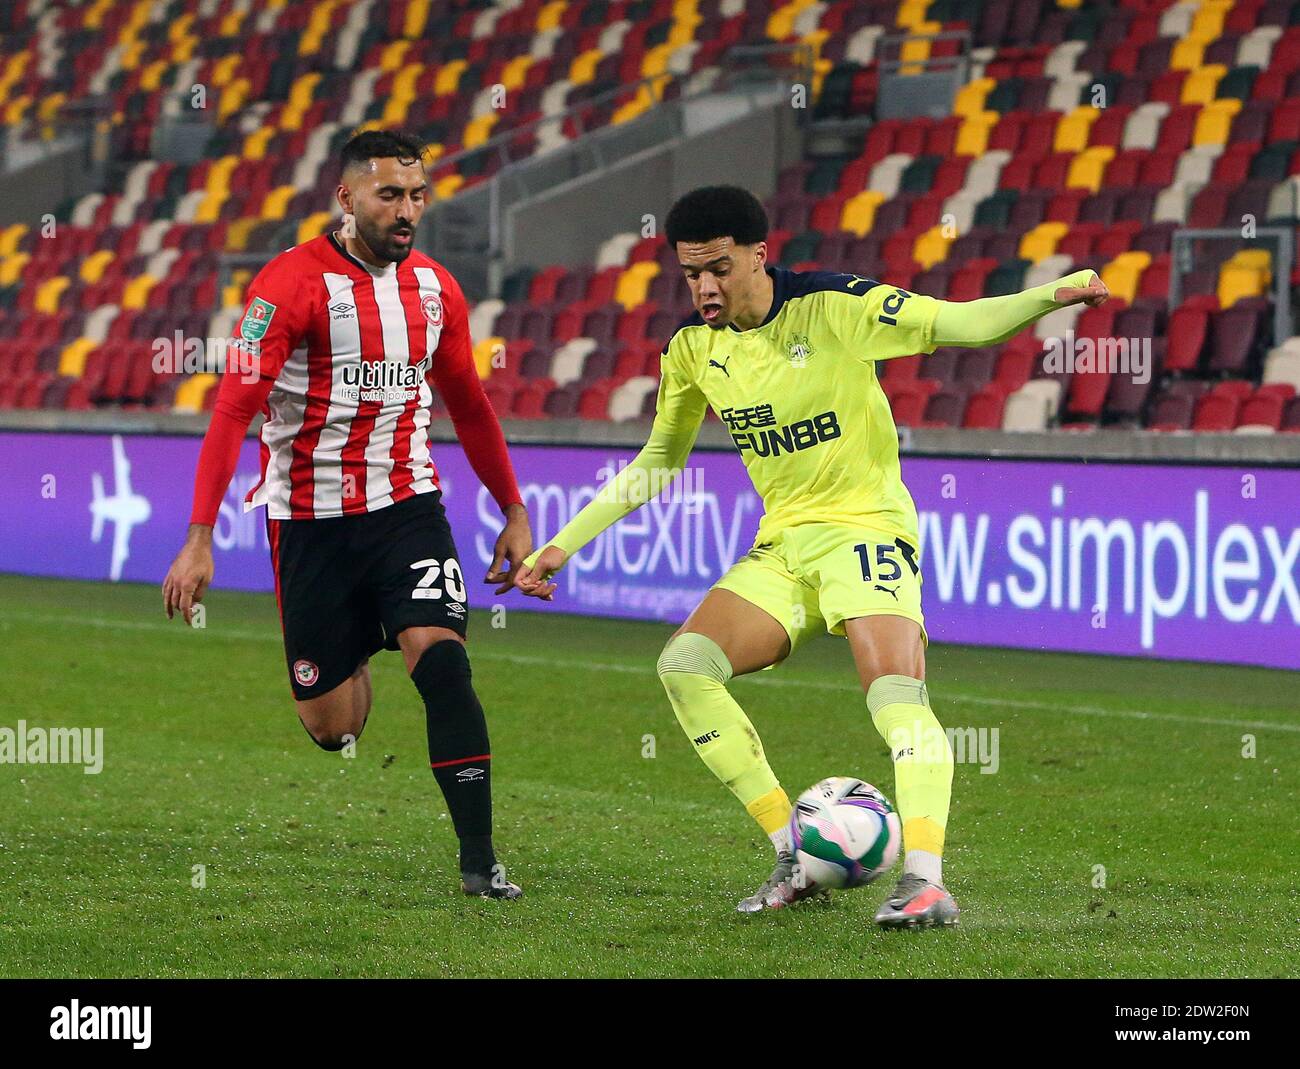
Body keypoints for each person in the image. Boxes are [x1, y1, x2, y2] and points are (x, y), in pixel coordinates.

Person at [514, 185, 1108, 923]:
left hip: (866, 530)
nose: (703, 286)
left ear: (759, 256)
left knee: (895, 696)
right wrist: (562, 544)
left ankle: (924, 879)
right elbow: (658, 462)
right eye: (690, 272)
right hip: (785, 547)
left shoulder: (834, 306)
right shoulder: (694, 350)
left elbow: (961, 325)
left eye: (719, 268)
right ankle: (793, 855)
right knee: (685, 665)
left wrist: (1055, 292)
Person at [163, 130, 535, 899]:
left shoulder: (436, 289)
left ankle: (479, 859)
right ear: (348, 197)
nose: (407, 210)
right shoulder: (287, 286)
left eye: (417, 194)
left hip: (407, 508)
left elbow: (468, 403)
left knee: (443, 659)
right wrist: (200, 538)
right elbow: (234, 407)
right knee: (334, 728)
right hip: (310, 522)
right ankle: (358, 643)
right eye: (389, 195)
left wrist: (514, 508)